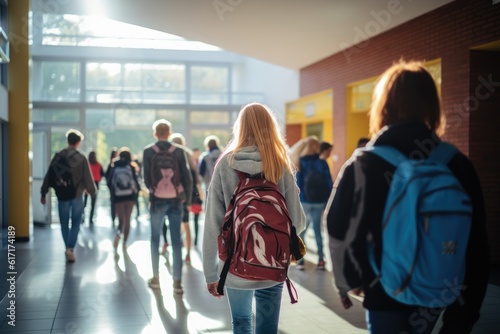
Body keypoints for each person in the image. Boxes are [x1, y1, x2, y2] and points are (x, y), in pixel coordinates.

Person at [324, 61, 490, 334]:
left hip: (382, 288)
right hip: (439, 285)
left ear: (383, 104)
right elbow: (477, 242)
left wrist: (346, 281)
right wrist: (466, 311)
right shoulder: (456, 163)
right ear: (431, 104)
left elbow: (337, 225)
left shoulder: (364, 162)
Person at [202, 102, 306, 334]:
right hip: (273, 265)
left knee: (241, 323)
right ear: (271, 127)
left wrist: (211, 273)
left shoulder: (225, 164)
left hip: (235, 266)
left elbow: (213, 224)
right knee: (267, 328)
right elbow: (298, 223)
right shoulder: (280, 164)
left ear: (240, 127)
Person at [143, 119, 193, 293]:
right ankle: (177, 282)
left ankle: (156, 278)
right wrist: (185, 198)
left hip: (157, 200)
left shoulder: (148, 151)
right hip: (175, 201)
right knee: (176, 241)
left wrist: (154, 191)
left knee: (155, 238)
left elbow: (146, 179)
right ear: (170, 133)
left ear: (155, 133)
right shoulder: (178, 152)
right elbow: (187, 177)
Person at [40, 129, 97, 263]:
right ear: (78, 142)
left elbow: (49, 175)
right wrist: (93, 192)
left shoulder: (58, 156)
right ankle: (71, 247)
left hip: (62, 195)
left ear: (67, 141)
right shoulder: (81, 157)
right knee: (76, 221)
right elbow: (88, 177)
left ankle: (67, 247)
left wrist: (43, 192)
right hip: (77, 195)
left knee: (64, 223)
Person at [295, 136, 333, 270]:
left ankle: (300, 261)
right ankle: (321, 261)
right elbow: (329, 182)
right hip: (319, 201)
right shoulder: (322, 162)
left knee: (302, 231)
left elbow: (298, 184)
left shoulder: (300, 162)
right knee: (318, 230)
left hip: (305, 201)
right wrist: (327, 200)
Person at [169, 132, 202, 264]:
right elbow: (195, 177)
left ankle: (177, 248)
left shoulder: (170, 155)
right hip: (189, 194)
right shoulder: (188, 154)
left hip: (174, 194)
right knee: (187, 223)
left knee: (176, 223)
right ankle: (188, 253)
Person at [108, 147, 141, 251]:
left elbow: (110, 182)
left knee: (121, 220)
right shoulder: (131, 167)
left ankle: (118, 234)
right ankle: (125, 243)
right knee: (128, 219)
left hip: (118, 197)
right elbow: (136, 182)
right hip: (130, 196)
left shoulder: (114, 166)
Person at [83, 150, 104, 225]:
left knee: (84, 203)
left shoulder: (87, 164)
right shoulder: (98, 165)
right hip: (95, 184)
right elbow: (102, 174)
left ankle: (83, 217)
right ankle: (90, 219)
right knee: (92, 203)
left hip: (86, 184)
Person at [105, 148, 118, 226]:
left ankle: (114, 217)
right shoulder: (112, 165)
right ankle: (114, 218)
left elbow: (107, 177)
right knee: (115, 203)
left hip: (113, 188)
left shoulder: (111, 165)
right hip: (114, 188)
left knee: (114, 203)